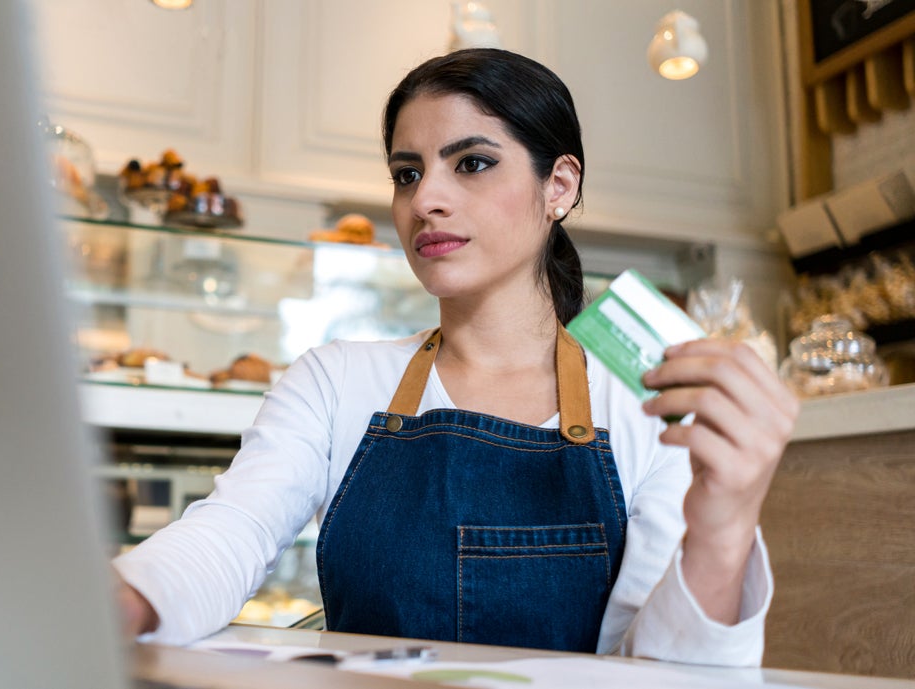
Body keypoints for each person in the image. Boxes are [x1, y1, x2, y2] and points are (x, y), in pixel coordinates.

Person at [112, 48, 799, 666]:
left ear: (558, 186)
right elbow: (229, 534)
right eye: (407, 174)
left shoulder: (648, 401)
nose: (426, 200)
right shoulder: (335, 380)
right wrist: (121, 600)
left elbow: (661, 671)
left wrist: (726, 519)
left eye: (471, 163)